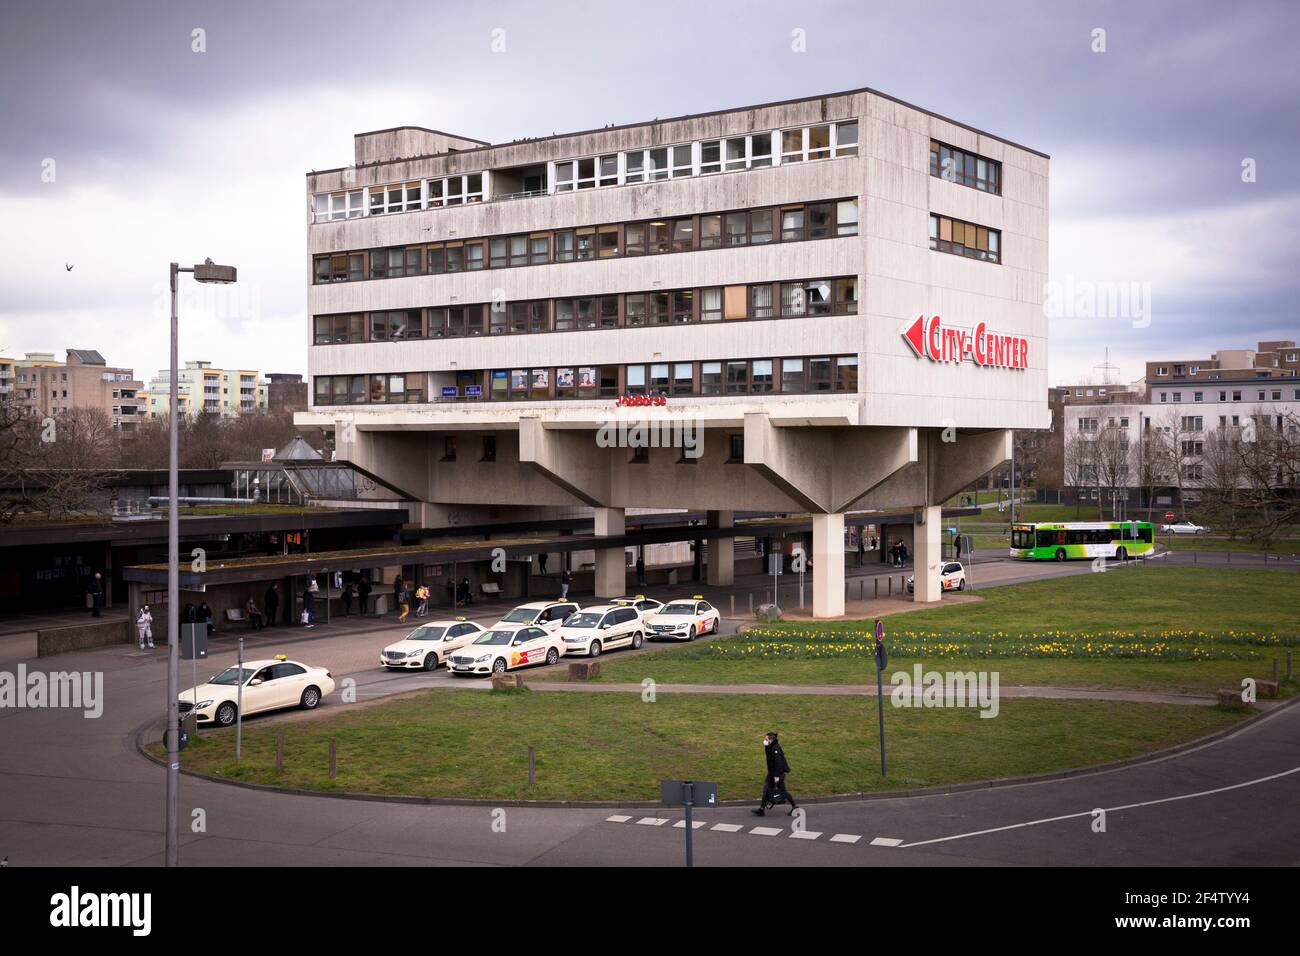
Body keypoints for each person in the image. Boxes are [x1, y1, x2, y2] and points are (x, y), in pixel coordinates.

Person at [752, 731, 797, 816]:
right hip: (771, 773)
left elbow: (779, 763)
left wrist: (776, 776)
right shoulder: (770, 747)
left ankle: (794, 806)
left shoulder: (776, 748)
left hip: (777, 774)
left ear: (771, 740)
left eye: (766, 739)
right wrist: (766, 747)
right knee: (766, 789)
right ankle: (761, 809)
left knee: (783, 791)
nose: (764, 740)